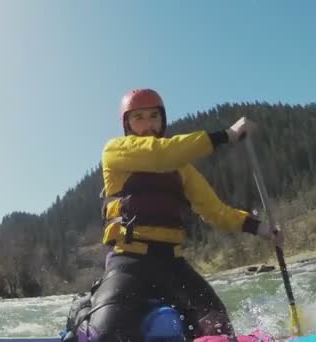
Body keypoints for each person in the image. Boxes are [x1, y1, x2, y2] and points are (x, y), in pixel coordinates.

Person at [67, 89, 283, 341]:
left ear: (162, 121)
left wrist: (262, 229)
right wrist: (226, 135)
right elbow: (160, 154)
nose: (147, 124)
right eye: (138, 117)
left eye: (153, 116)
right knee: (104, 336)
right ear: (127, 124)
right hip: (128, 262)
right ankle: (80, 313)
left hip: (173, 264)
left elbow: (215, 211)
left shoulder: (182, 169)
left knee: (219, 329)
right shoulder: (115, 151)